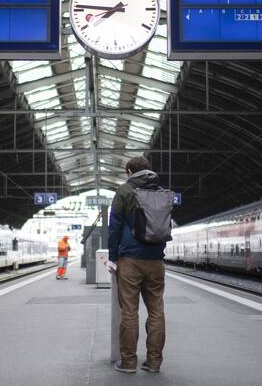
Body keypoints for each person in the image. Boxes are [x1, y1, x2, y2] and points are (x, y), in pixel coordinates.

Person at [106, 156, 166, 374]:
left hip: (130, 260)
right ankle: (154, 363)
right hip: (156, 260)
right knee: (157, 311)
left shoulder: (124, 191)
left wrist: (112, 257)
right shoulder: (161, 192)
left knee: (130, 312)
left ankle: (129, 362)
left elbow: (114, 227)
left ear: (130, 171)